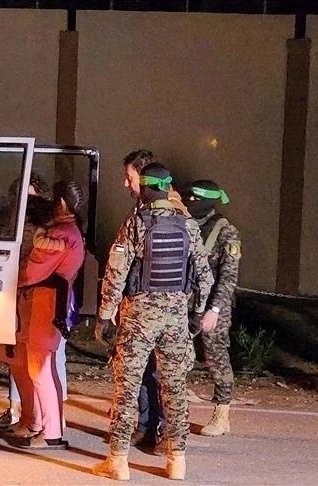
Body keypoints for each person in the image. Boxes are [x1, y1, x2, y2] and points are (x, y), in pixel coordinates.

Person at [92, 162, 213, 481]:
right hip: (175, 319)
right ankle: (177, 462)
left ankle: (118, 462)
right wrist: (197, 313)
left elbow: (116, 273)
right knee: (175, 389)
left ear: (146, 188)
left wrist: (104, 316)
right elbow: (205, 276)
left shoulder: (136, 223)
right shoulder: (188, 225)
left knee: (127, 388)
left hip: (138, 318)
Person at [8, 182, 86, 450]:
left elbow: (32, 270)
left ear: (62, 203)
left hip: (46, 303)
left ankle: (50, 432)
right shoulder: (71, 232)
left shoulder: (60, 234)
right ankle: (45, 426)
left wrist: (9, 275)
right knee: (43, 368)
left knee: (40, 369)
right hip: (50, 303)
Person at [183, 179, 241, 437]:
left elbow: (228, 277)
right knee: (176, 355)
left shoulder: (226, 231)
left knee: (216, 356)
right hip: (188, 302)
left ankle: (221, 414)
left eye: (196, 199)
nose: (191, 203)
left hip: (214, 305)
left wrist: (214, 310)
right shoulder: (188, 224)